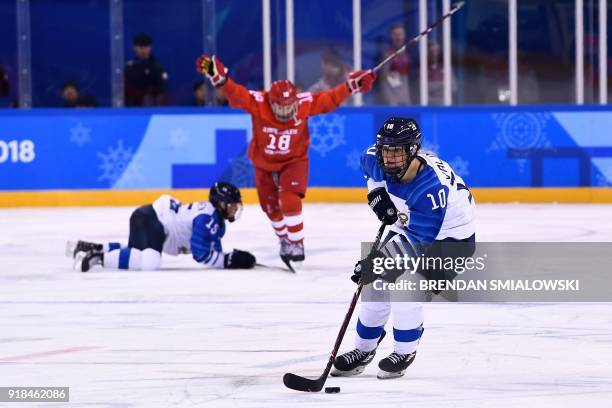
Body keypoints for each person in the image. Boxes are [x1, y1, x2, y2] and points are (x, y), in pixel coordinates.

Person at [195, 54, 376, 268]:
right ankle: (284, 238)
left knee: (289, 198)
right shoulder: (258, 102)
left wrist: (351, 85)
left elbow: (329, 99)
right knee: (270, 207)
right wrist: (220, 80)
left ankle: (297, 243)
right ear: (270, 102)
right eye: (279, 106)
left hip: (294, 160)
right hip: (263, 163)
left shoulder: (304, 104)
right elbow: (237, 94)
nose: (284, 111)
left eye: (288, 106)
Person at [331, 117, 476, 379]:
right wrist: (376, 193)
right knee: (375, 286)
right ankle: (363, 350)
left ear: (412, 150)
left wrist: (376, 264)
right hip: (410, 224)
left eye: (397, 151)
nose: (390, 159)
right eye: (387, 151)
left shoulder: (431, 189)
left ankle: (404, 350)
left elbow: (417, 242)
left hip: (451, 243)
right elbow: (367, 160)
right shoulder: (378, 158)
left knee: (404, 287)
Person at [68, 182, 256, 272]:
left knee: (136, 252)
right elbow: (201, 254)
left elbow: (211, 249)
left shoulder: (213, 219)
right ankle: (98, 258)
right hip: (152, 223)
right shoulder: (206, 218)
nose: (234, 209)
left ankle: (95, 247)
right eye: (231, 205)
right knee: (149, 262)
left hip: (149, 220)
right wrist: (228, 261)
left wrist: (228, 258)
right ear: (220, 203)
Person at [124, 33, 168, 106]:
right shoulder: (129, 68)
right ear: (134, 47)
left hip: (153, 108)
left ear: (150, 47)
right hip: (132, 109)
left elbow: (163, 91)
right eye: (140, 46)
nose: (143, 49)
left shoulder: (158, 67)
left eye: (146, 46)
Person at [376, 23, 411, 105]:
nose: (398, 37)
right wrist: (391, 102)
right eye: (395, 35)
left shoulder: (409, 54)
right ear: (391, 37)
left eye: (400, 34)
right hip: (392, 98)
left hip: (406, 98)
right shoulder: (387, 55)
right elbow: (384, 81)